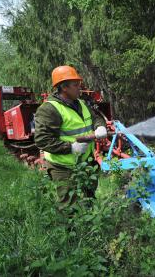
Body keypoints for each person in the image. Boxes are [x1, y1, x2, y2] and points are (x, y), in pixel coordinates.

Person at [34, 65, 107, 207]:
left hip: (85, 161)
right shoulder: (49, 109)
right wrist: (71, 148)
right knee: (69, 205)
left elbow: (95, 117)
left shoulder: (81, 103)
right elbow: (42, 140)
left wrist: (100, 126)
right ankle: (71, 229)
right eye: (75, 85)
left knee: (89, 198)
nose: (79, 88)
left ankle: (91, 227)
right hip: (62, 166)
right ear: (64, 87)